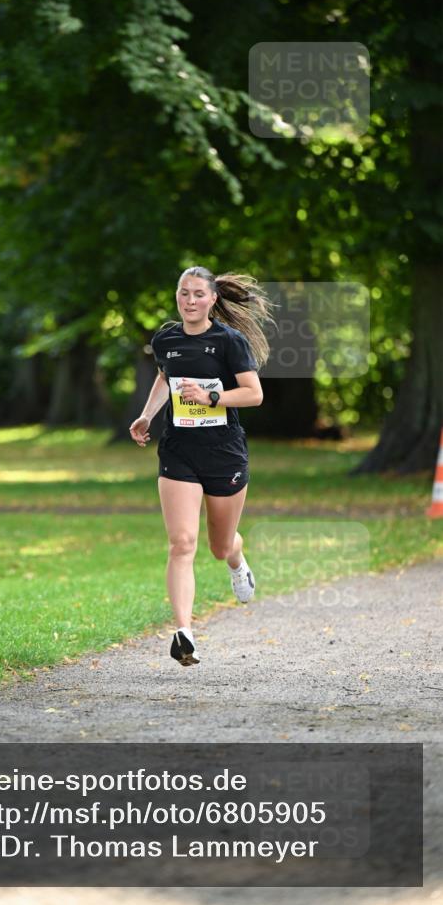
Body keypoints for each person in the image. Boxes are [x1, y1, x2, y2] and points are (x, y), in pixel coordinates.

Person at [129, 267, 273, 667]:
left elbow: (254, 394)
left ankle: (237, 562)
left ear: (212, 300)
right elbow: (164, 377)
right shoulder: (166, 338)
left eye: (197, 294)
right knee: (181, 543)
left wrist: (212, 398)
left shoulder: (229, 342)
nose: (189, 301)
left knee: (219, 546)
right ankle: (184, 633)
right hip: (179, 452)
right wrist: (147, 416)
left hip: (223, 452)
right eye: (183, 293)